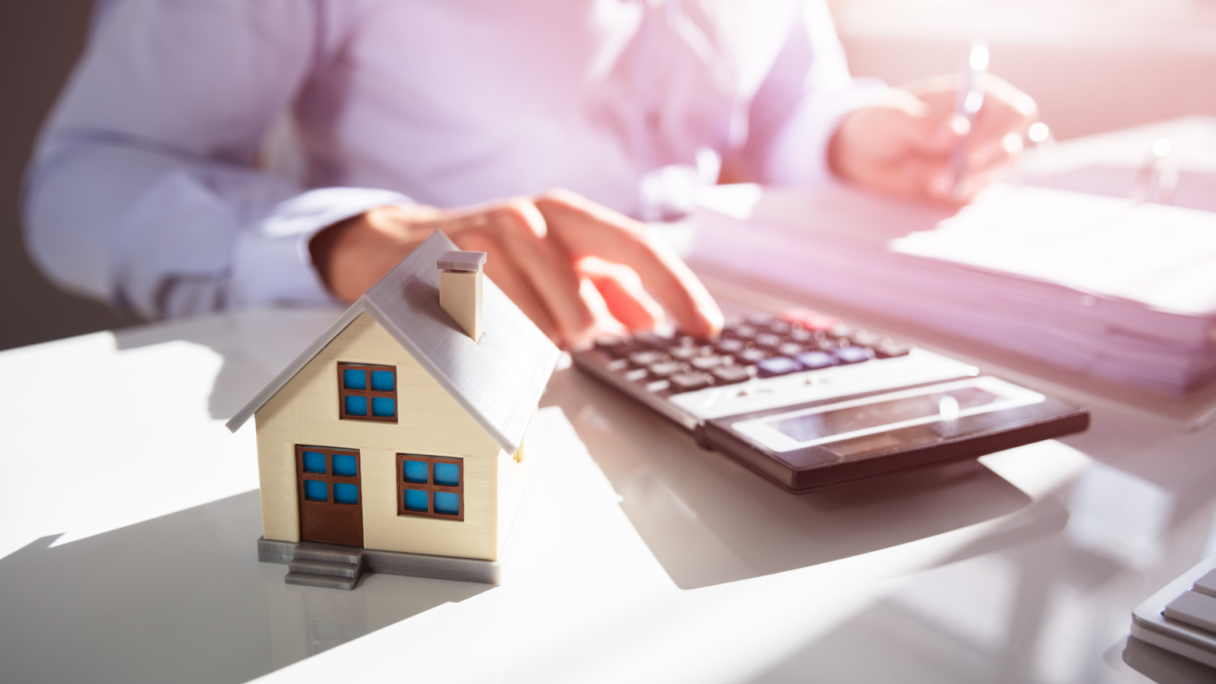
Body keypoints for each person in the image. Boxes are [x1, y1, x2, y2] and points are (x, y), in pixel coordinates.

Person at [24, 0, 1037, 348]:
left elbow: (778, 104)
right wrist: (351, 239)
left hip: (723, 348)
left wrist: (852, 134)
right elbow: (83, 179)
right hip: (443, 364)